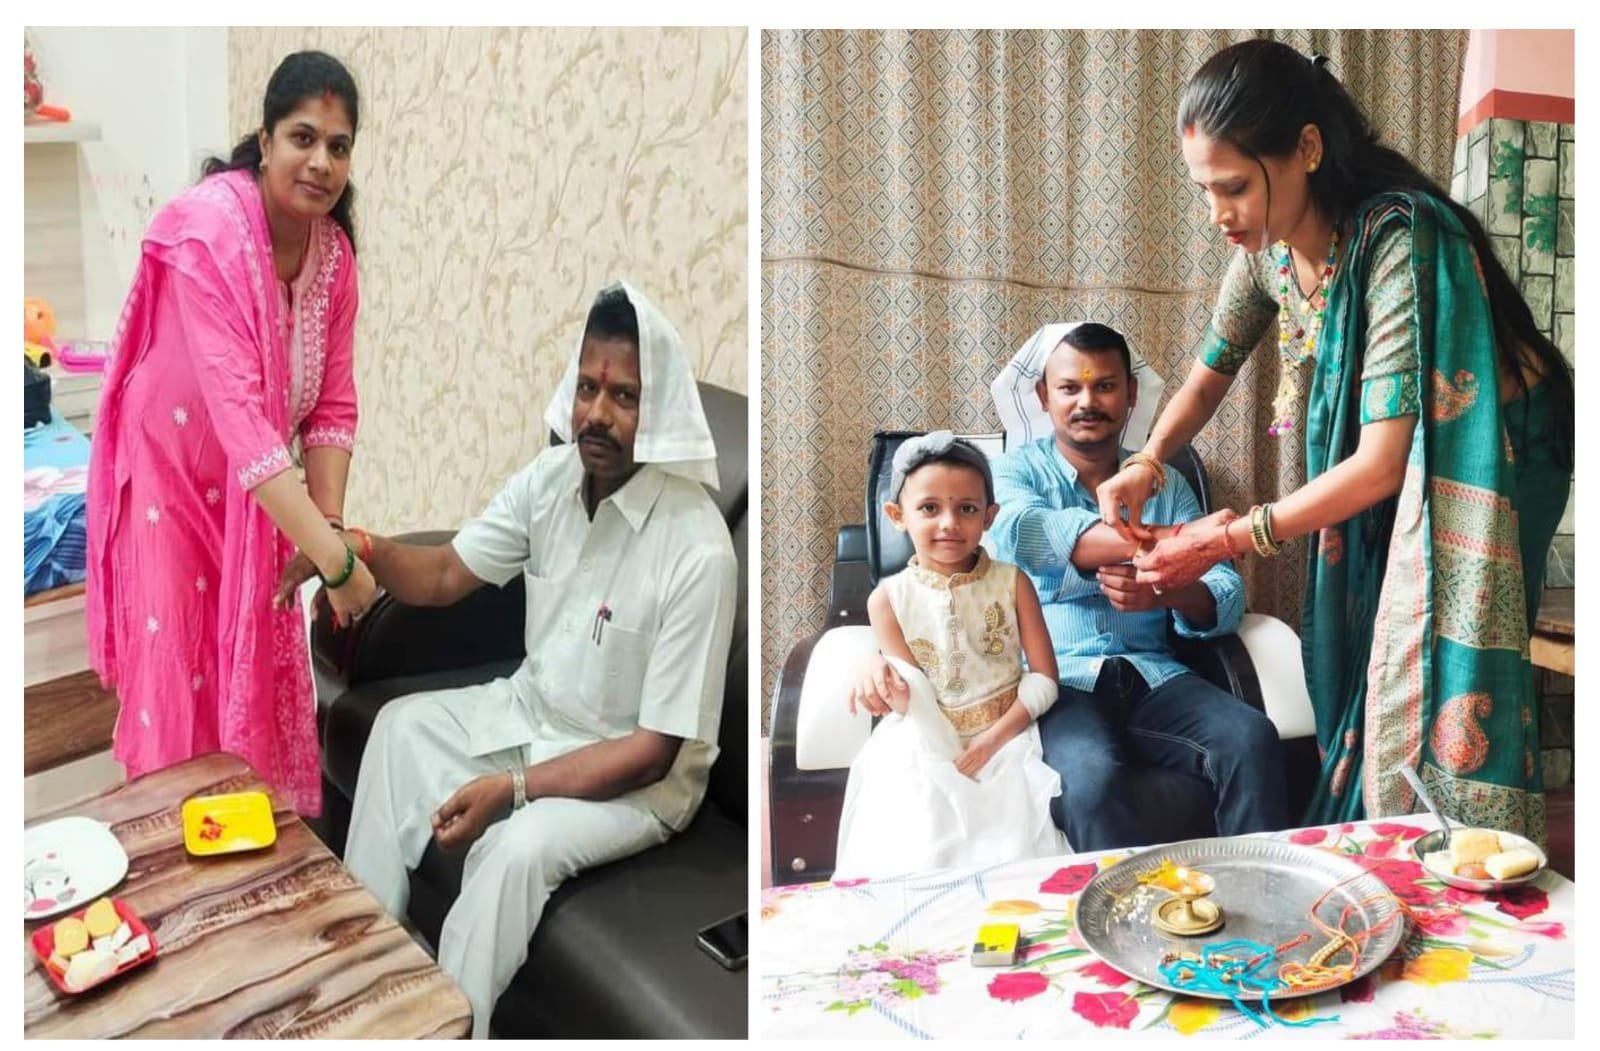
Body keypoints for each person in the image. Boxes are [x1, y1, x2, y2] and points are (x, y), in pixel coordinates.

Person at [1096, 40, 1573, 842]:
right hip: (1399, 453)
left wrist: (1226, 537)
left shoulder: (1398, 239)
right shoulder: (1271, 256)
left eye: (1235, 187)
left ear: (1308, 149)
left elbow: (1380, 464)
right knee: (1373, 640)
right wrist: (1147, 458)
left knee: (1441, 643)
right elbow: (1209, 377)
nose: (1218, 214)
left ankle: (1459, 847)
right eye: (1205, 191)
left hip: (1499, 450)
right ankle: (1381, 829)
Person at [282, 283, 737, 1038]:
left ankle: (447, 1028)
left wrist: (514, 790)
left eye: (624, 396)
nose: (596, 413)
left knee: (514, 849)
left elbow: (654, 752)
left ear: (656, 411)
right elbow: (442, 575)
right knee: (398, 729)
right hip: (534, 715)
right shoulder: (551, 481)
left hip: (634, 780)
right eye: (587, 387)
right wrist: (355, 546)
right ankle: (362, 979)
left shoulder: (695, 549)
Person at [85, 51, 375, 816]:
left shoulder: (334, 257)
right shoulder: (211, 230)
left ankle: (244, 840)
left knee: (250, 652)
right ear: (265, 140)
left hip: (257, 483)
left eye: (338, 146)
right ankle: (169, 839)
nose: (320, 162)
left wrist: (328, 528)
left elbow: (333, 407)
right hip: (174, 469)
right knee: (181, 656)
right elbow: (245, 421)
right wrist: (336, 560)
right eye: (303, 138)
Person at [833, 432, 1065, 879]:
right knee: (921, 824)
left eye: (967, 509)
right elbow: (912, 696)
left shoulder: (1012, 582)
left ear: (989, 516)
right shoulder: (887, 600)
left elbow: (1044, 678)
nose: (949, 524)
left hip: (1009, 734)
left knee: (1012, 845)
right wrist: (877, 668)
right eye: (929, 508)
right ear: (897, 516)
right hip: (927, 737)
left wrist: (993, 740)